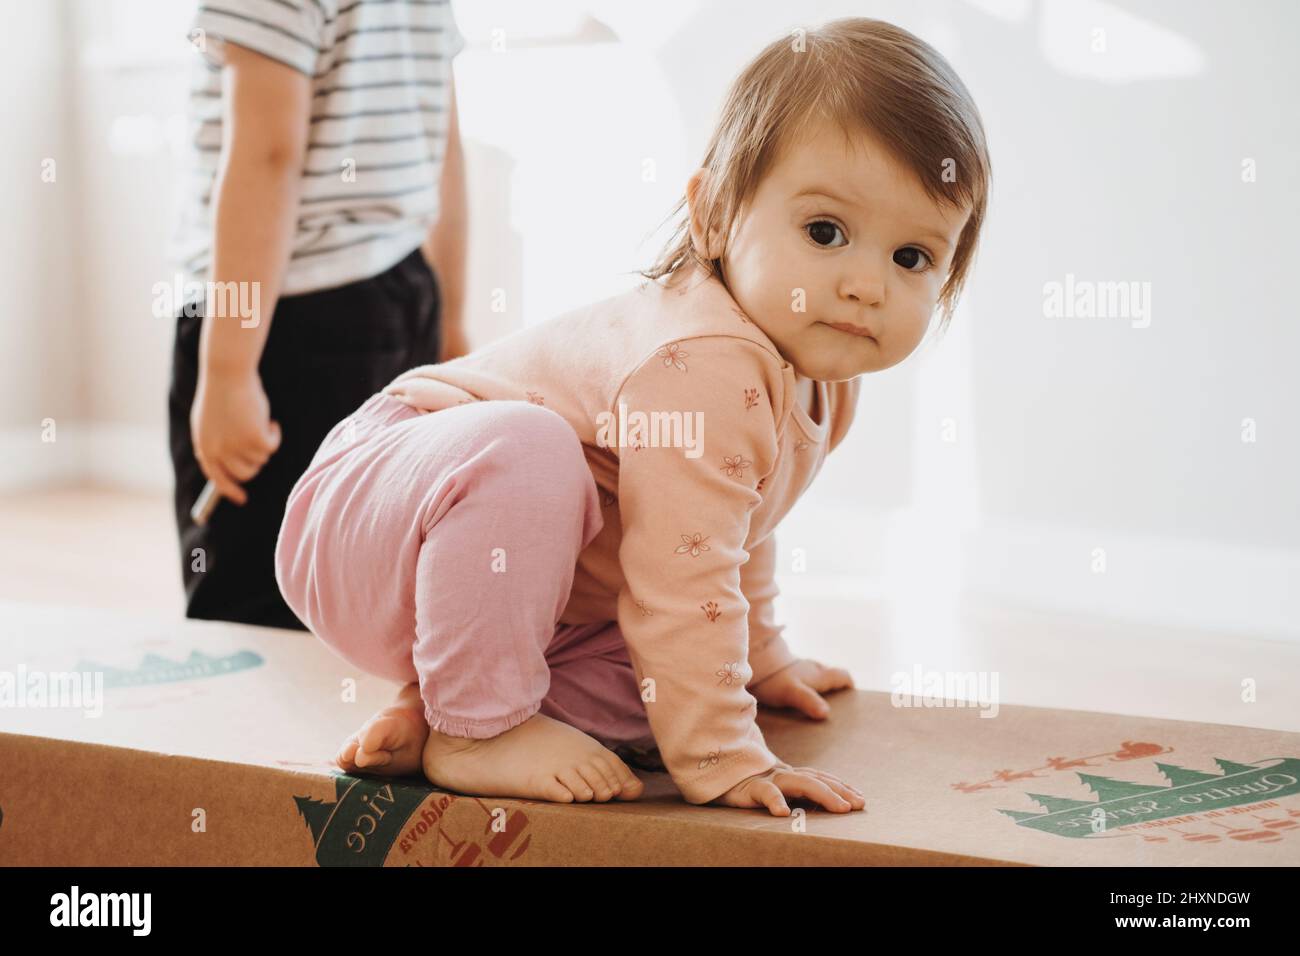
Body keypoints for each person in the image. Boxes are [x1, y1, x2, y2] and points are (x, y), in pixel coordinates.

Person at [276, 18, 992, 814]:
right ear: (714, 216)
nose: (868, 285)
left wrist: (756, 659)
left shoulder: (821, 374)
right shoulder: (706, 362)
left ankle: (449, 711)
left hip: (512, 602)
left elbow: (725, 532)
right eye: (825, 232)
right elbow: (686, 580)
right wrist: (724, 754)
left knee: (660, 671)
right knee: (535, 454)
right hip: (377, 505)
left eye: (912, 257)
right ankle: (480, 726)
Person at [168, 0, 469, 629]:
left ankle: (249, 724)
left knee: (253, 590)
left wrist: (227, 370)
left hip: (288, 316)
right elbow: (445, 147)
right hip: (399, 287)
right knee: (362, 570)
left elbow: (268, 155)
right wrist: (453, 318)